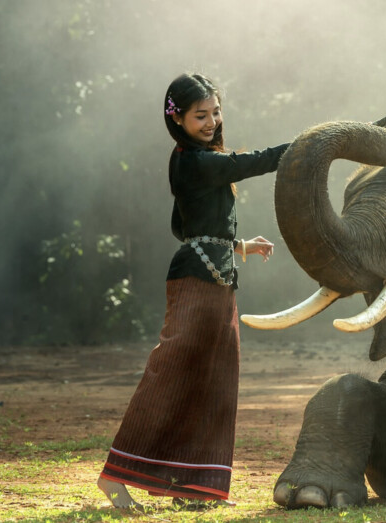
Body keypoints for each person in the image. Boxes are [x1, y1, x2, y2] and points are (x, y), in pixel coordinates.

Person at [97, 72, 289, 509]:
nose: (211, 121)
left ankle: (194, 486)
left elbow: (181, 223)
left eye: (216, 112)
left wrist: (237, 245)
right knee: (170, 375)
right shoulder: (193, 161)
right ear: (177, 119)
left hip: (217, 278)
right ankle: (115, 476)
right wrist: (309, 147)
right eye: (200, 115)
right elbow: (251, 162)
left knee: (216, 381)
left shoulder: (198, 161)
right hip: (196, 280)